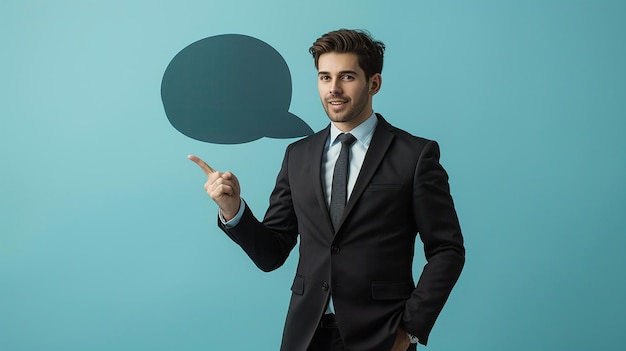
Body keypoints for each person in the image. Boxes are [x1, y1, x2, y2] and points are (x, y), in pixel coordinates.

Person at [189, 29, 465, 351]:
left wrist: (409, 331)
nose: (333, 89)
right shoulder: (298, 155)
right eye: (324, 77)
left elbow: (447, 250)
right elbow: (271, 253)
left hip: (383, 337)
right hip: (306, 336)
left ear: (373, 83)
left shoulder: (415, 155)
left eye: (347, 76)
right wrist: (232, 209)